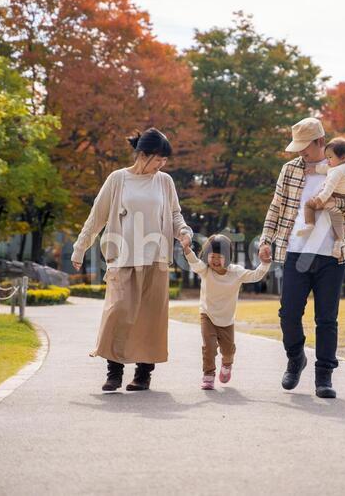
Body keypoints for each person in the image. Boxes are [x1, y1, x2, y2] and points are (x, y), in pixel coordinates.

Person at [71, 127, 193, 392]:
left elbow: (174, 215)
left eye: (164, 161)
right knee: (118, 312)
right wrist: (80, 248)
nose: (162, 165)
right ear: (143, 155)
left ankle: (143, 374)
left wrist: (183, 232)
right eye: (159, 159)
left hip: (156, 259)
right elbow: (97, 216)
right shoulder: (118, 179)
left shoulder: (164, 181)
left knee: (151, 318)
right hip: (122, 257)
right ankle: (114, 372)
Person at [258, 117, 345, 399]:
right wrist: (266, 239)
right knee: (289, 313)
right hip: (296, 250)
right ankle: (295, 358)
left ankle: (324, 377)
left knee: (327, 319)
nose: (301, 154)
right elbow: (277, 205)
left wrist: (334, 203)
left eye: (305, 148)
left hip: (332, 254)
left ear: (320, 142)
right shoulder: (290, 169)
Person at [183, 234, 271, 390]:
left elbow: (255, 276)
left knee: (227, 350)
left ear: (228, 257)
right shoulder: (206, 270)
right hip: (207, 314)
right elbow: (195, 263)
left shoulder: (236, 273)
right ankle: (208, 375)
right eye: (212, 256)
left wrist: (264, 264)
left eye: (220, 257)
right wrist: (187, 250)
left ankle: (227, 363)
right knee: (208, 346)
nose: (215, 261)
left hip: (227, 319)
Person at [296, 137, 345, 258]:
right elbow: (326, 168)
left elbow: (329, 187)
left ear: (342, 157)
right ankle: (316, 229)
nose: (327, 160)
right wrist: (314, 170)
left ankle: (315, 227)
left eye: (330, 157)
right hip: (341, 194)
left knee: (319, 207)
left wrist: (320, 198)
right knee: (323, 210)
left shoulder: (337, 171)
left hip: (336, 195)